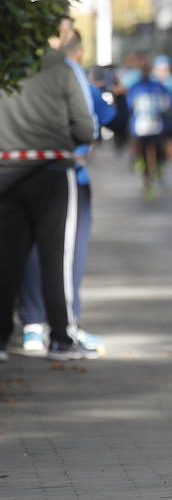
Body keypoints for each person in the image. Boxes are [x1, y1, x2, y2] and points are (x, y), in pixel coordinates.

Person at [0, 24, 98, 362]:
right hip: (52, 169)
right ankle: (62, 338)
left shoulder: (5, 62)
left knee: (7, 258)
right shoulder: (61, 66)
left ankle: (1, 340)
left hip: (5, 170)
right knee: (58, 259)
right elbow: (86, 127)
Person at [18, 30, 115, 353]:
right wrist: (82, 143)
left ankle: (31, 327)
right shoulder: (66, 69)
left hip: (14, 171)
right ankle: (62, 331)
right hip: (64, 174)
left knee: (24, 253)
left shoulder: (15, 68)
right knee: (63, 257)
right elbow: (94, 119)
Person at [126, 56, 172, 202]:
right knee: (144, 154)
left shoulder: (158, 87)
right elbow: (130, 106)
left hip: (156, 127)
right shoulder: (135, 87)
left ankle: (157, 169)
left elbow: (168, 104)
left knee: (158, 152)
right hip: (140, 127)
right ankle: (147, 182)